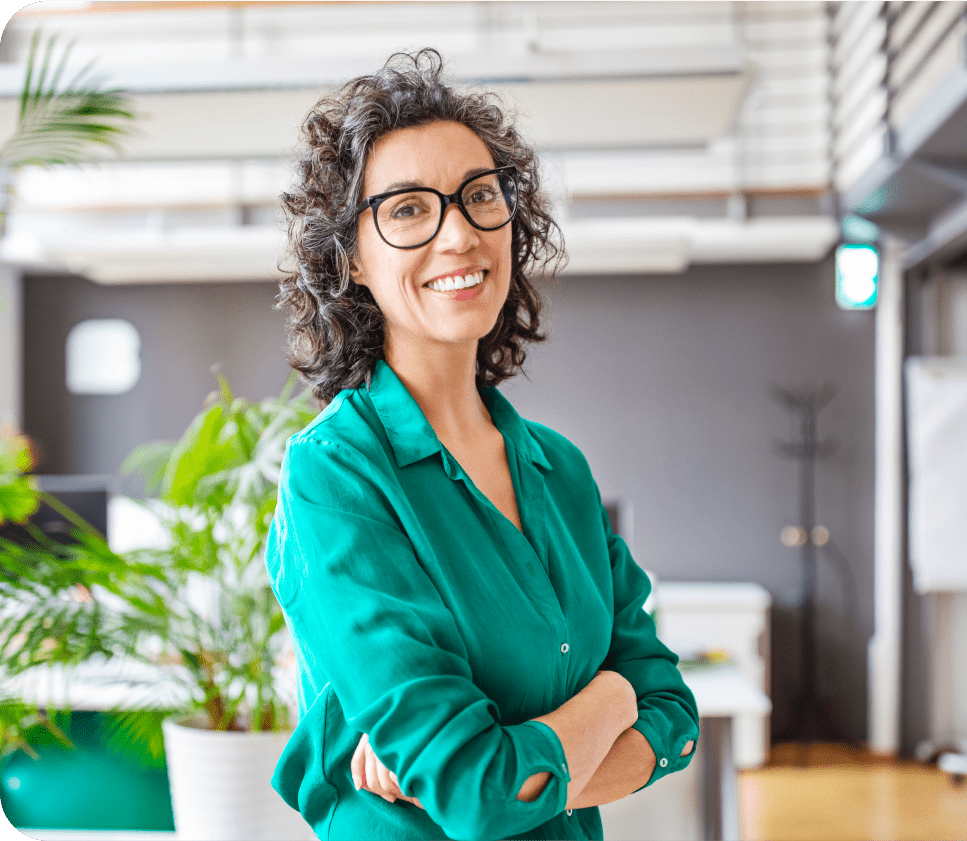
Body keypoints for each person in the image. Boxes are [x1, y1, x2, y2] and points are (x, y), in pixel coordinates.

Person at [266, 49, 698, 841]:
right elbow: (479, 788)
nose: (458, 233)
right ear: (352, 259)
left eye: (478, 196)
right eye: (406, 209)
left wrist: (513, 771)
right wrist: (609, 702)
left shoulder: (559, 468)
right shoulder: (335, 474)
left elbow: (671, 709)